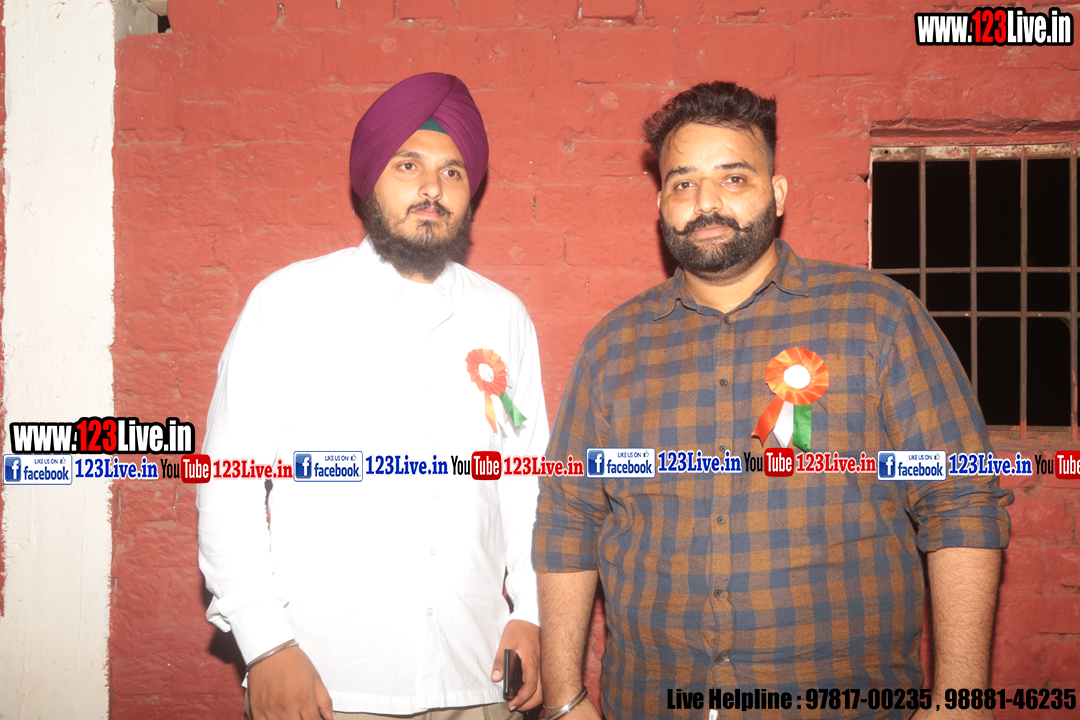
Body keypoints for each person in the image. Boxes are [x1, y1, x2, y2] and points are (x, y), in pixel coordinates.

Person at [533, 81, 1012, 720]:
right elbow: (568, 518)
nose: (706, 202)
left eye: (733, 178)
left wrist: (962, 702)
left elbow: (962, 500)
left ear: (778, 193)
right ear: (661, 204)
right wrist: (564, 698)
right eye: (683, 183)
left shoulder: (878, 318)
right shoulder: (613, 346)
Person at [198, 72, 548, 720]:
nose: (431, 188)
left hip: (477, 676)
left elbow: (525, 482)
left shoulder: (503, 316)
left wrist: (529, 611)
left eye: (451, 172)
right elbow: (228, 482)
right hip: (324, 684)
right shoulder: (288, 302)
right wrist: (266, 644)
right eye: (408, 165)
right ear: (369, 181)